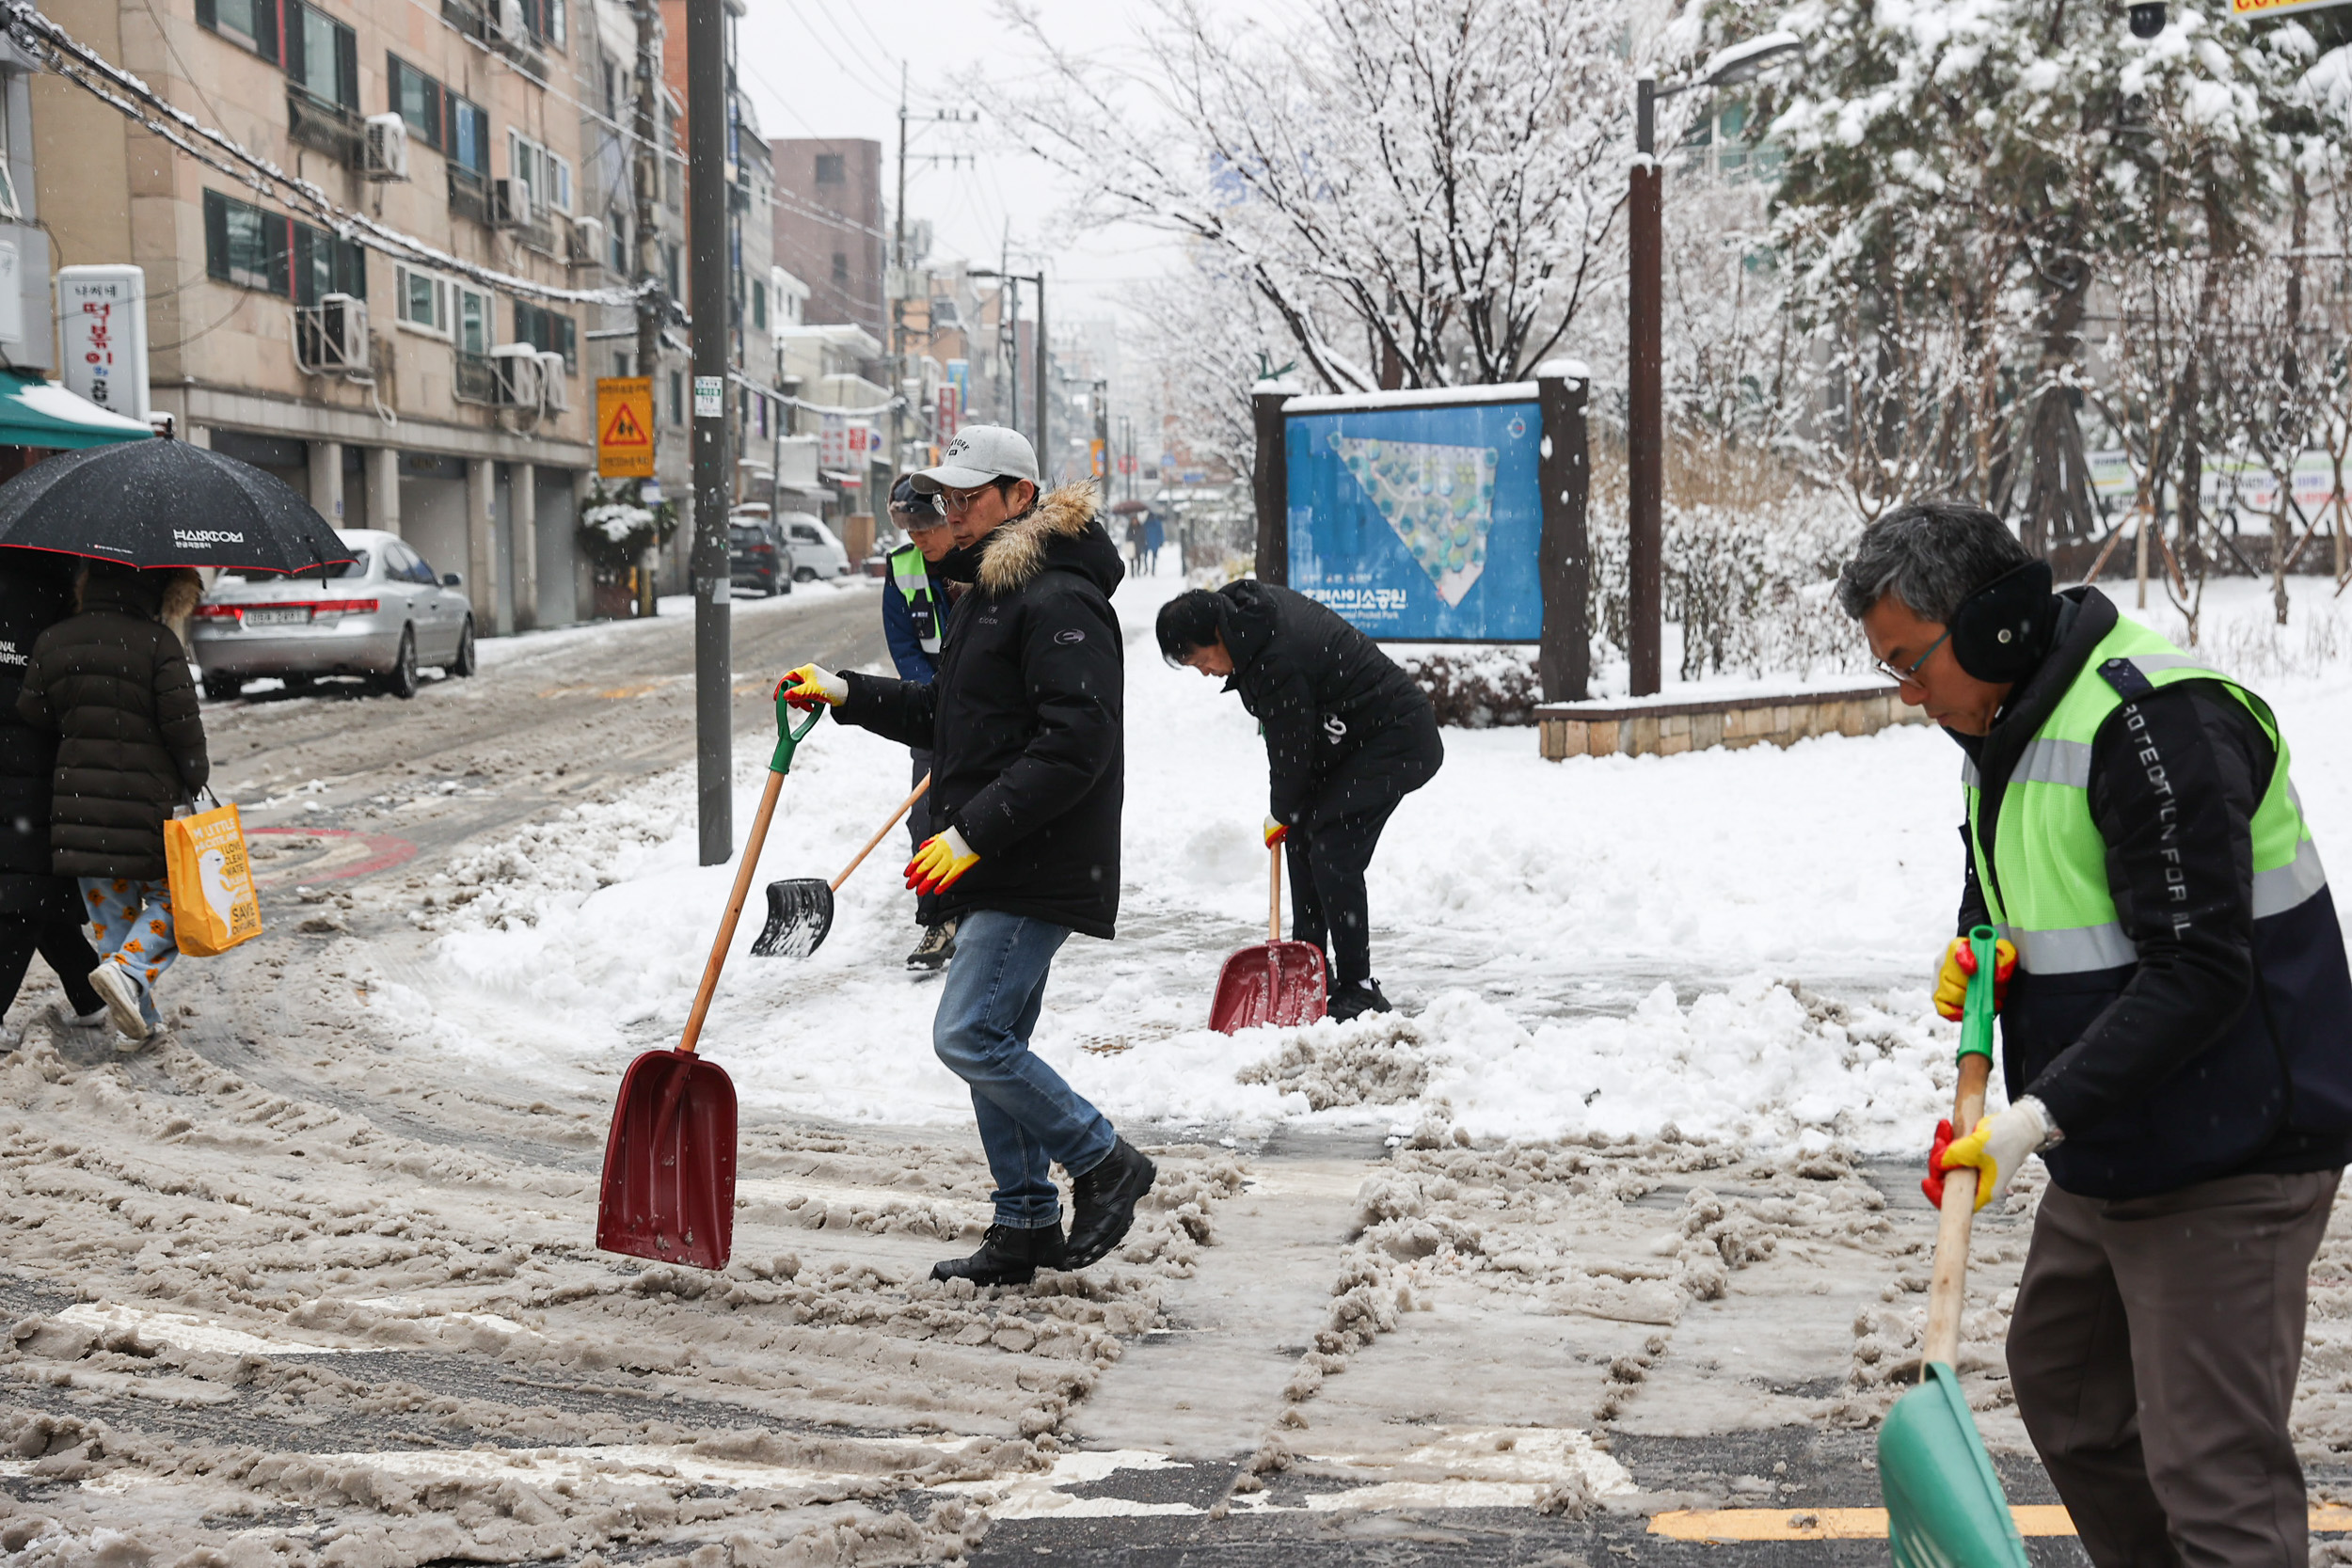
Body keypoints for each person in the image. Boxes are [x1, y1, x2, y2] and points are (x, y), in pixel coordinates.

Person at [1836, 501, 2352, 1568]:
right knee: (2067, 1385)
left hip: (2235, 1138)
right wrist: (1979, 943)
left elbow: (2201, 968)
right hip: (2126, 1124)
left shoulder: (2152, 722)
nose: (1907, 693)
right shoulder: (2008, 720)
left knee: (2210, 1465)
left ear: (1986, 628)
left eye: (1909, 662)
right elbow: (2018, 881)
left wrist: (2032, 1117)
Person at [779, 424, 1156, 1286]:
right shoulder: (992, 589)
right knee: (998, 1041)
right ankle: (1024, 1221)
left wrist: (972, 830)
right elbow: (949, 718)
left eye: (969, 496)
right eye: (946, 497)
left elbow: (1077, 742)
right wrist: (846, 692)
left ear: (1021, 495)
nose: (952, 511)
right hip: (1003, 853)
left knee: (970, 1033)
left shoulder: (1058, 597)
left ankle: (1104, 1161)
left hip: (1038, 856)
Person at [1156, 581, 1442, 1021]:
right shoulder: (1249, 625)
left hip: (1397, 738)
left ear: (1217, 633)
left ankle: (1359, 987)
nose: (1206, 672)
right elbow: (1297, 742)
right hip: (1353, 738)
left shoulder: (1273, 656)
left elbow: (1291, 748)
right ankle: (1309, 960)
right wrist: (1290, 815)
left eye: (1201, 660)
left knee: (1332, 848)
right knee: (1304, 834)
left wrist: (1280, 812)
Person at [18, 562, 211, 1049]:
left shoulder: (54, 639)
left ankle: (139, 1023)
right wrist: (196, 778)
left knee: (113, 917)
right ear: (160, 590)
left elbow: (34, 712)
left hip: (80, 809)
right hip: (147, 811)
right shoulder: (158, 644)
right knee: (176, 903)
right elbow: (183, 731)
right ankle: (128, 974)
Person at [0, 553, 103, 1045]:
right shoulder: (56, 590)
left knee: (33, 886)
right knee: (28, 890)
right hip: (35, 763)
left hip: (24, 761)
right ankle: (92, 996)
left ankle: (91, 996)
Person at [882, 472, 972, 973]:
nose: (918, 539)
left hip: (985, 708)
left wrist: (968, 694)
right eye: (909, 530)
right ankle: (937, 921)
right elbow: (904, 645)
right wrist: (935, 696)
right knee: (927, 818)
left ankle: (981, 915)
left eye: (925, 528)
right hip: (933, 712)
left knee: (981, 813)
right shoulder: (902, 570)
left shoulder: (981, 560)